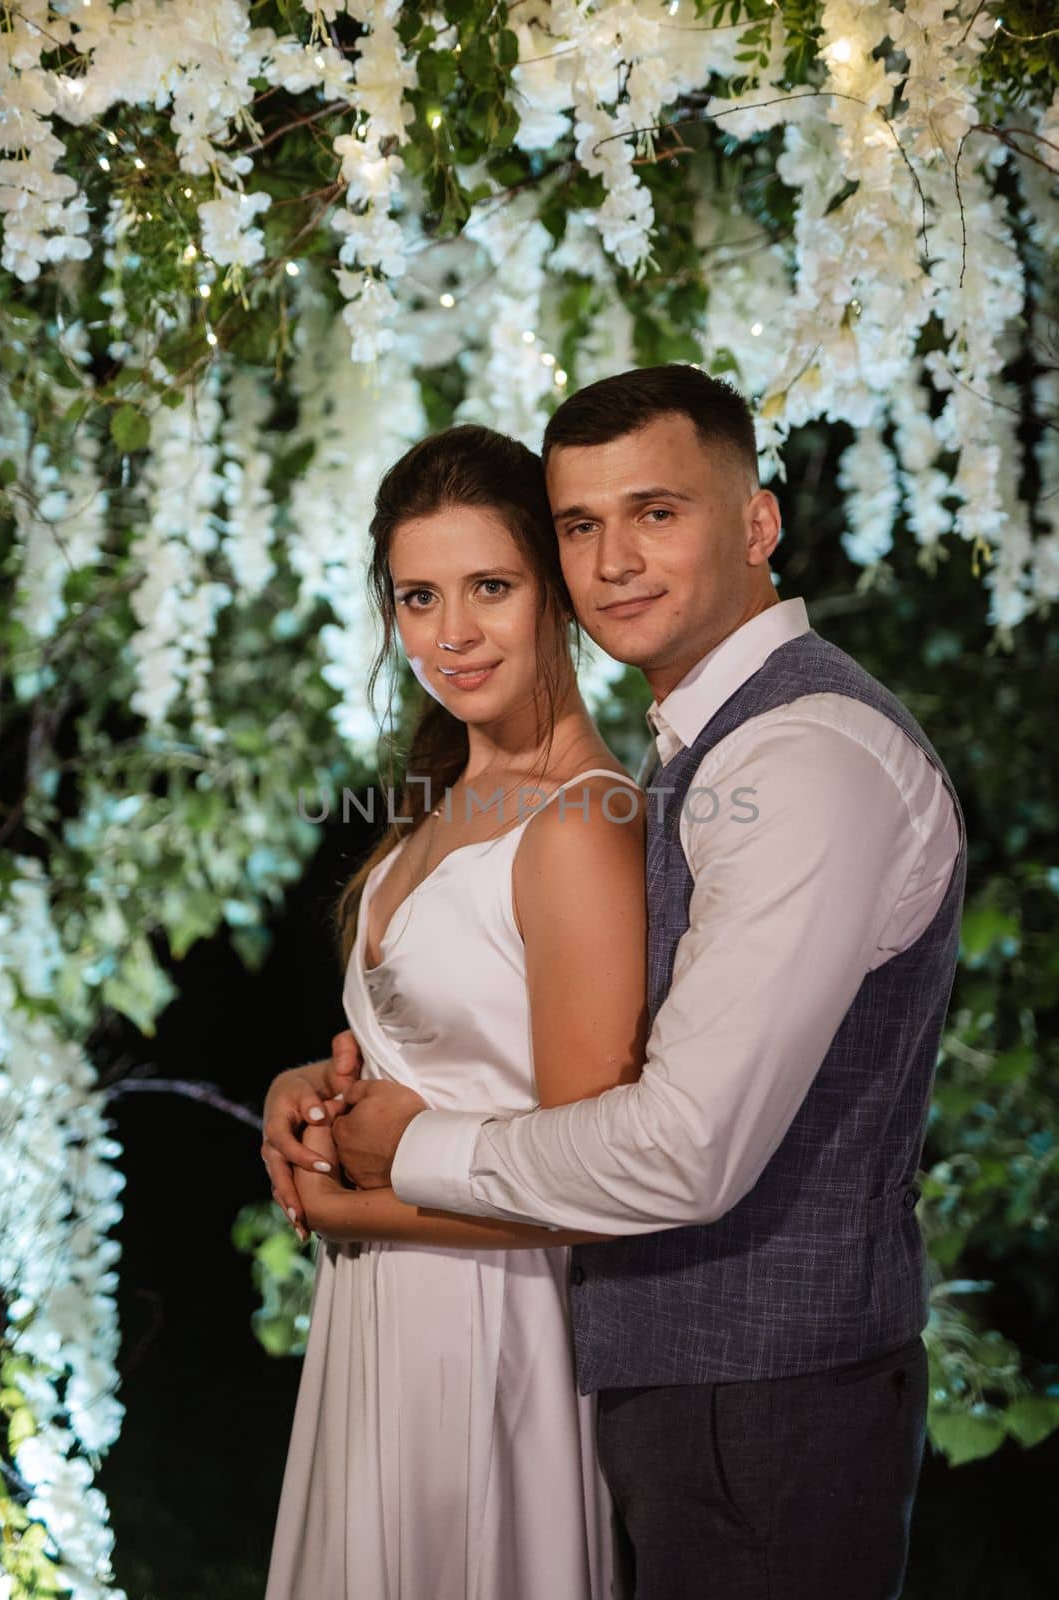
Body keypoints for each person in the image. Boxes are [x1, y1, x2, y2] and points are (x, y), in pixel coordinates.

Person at [270, 364, 968, 1599]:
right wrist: (323, 1099)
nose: (615, 560)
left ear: (758, 523)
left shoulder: (796, 757)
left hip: (758, 1391)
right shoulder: (697, 755)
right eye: (584, 524)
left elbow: (680, 1146)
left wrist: (385, 1170)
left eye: (659, 511)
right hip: (678, 1386)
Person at [262, 423, 647, 1600]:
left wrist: (359, 1200)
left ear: (559, 589)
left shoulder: (582, 824)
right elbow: (425, 1042)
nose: (453, 633)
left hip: (492, 1330)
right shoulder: (446, 800)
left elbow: (591, 1189)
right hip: (378, 1314)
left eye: (491, 586)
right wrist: (305, 1090)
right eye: (418, 596)